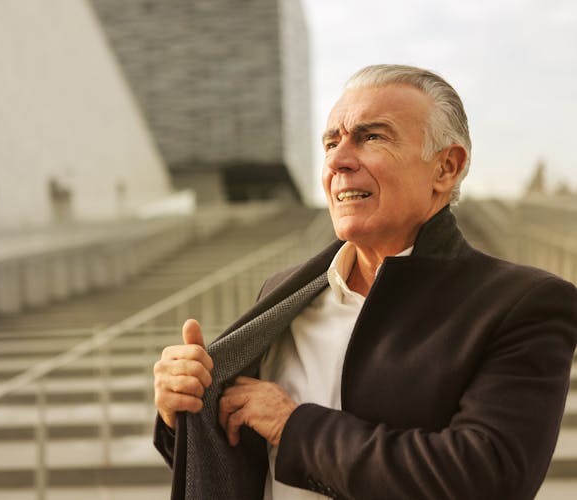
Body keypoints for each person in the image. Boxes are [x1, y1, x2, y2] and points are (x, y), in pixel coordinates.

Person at [152, 64, 577, 500]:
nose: (338, 160)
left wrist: (293, 425)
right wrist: (182, 411)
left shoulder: (524, 304)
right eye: (331, 142)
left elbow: (484, 478)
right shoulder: (285, 293)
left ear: (446, 168)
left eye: (371, 137)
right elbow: (239, 460)